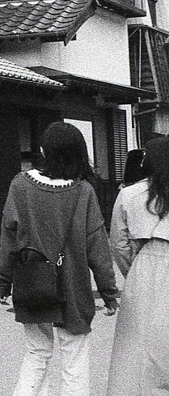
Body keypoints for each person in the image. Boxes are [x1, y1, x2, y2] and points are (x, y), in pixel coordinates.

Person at [0, 122, 119, 396]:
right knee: (74, 357)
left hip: (33, 283)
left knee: (36, 353)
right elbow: (97, 247)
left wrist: (4, 283)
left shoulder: (20, 185)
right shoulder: (84, 191)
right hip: (73, 286)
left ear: (45, 151)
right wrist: (109, 293)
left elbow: (8, 239)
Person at [106, 136, 169, 395]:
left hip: (145, 262)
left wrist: (133, 272)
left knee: (138, 344)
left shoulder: (129, 194)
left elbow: (118, 244)